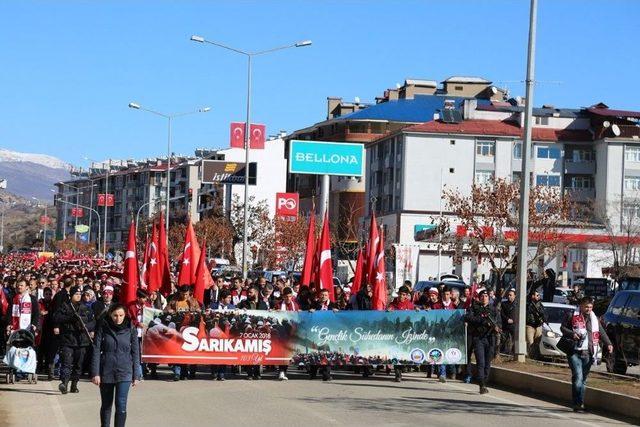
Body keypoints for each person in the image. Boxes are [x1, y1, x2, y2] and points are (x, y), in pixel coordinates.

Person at [91, 304, 141, 427]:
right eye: (115, 315)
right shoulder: (103, 326)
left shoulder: (131, 328)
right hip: (106, 370)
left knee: (121, 403)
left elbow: (135, 352)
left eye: (121, 315)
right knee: (106, 405)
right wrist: (95, 373)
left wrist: (137, 374)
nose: (118, 319)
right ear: (110, 315)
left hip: (125, 371)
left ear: (125, 315)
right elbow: (96, 349)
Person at [560, 297, 612, 412]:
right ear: (581, 306)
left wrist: (608, 343)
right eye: (586, 307)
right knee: (578, 377)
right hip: (574, 351)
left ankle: (580, 402)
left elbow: (601, 331)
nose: (588, 309)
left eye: (590, 307)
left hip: (588, 352)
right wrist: (572, 334)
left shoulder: (594, 318)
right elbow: (562, 328)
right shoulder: (571, 315)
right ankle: (577, 403)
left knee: (583, 379)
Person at [53, 285, 96, 394]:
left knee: (78, 364)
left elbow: (93, 322)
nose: (78, 296)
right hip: (68, 339)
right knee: (67, 362)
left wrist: (85, 326)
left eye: (79, 294)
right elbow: (56, 318)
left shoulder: (86, 308)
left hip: (81, 340)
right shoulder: (65, 306)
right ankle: (64, 383)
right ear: (71, 295)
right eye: (76, 294)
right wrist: (70, 318)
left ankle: (74, 385)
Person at [464, 289, 501, 394]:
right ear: (479, 298)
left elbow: (499, 322)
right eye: (482, 296)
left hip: (490, 338)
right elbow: (467, 317)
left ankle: (485, 380)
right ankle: (482, 384)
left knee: (487, 363)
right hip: (478, 338)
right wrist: (482, 321)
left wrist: (497, 328)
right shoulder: (475, 308)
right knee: (481, 362)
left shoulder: (493, 310)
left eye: (486, 296)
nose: (484, 298)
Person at [526, 290, 545, 357]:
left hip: (538, 326)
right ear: (533, 296)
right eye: (537, 295)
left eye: (539, 295)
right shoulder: (528, 304)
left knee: (537, 343)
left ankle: (536, 356)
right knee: (530, 343)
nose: (538, 296)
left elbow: (543, 313)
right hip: (530, 326)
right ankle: (530, 356)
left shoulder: (540, 305)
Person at [500, 289, 516, 355]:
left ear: (515, 296)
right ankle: (502, 352)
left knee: (515, 340)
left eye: (511, 295)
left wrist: (514, 320)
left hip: (514, 325)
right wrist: (507, 319)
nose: (509, 296)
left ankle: (513, 352)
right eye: (508, 295)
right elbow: (502, 313)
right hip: (506, 325)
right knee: (503, 339)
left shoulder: (518, 304)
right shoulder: (504, 304)